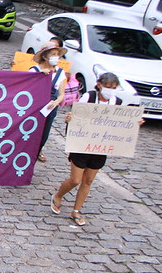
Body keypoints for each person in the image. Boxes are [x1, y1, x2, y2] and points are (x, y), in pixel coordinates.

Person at [51, 72, 143, 226]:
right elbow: (77, 116)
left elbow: (120, 123)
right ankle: (58, 195)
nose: (110, 90)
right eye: (108, 87)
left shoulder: (116, 102)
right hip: (82, 145)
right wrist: (70, 119)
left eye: (113, 87)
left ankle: (76, 210)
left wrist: (135, 122)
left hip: (100, 146)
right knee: (75, 179)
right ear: (99, 85)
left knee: (88, 180)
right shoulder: (89, 97)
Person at [29, 41, 68, 163]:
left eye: (57, 54)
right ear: (45, 56)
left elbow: (62, 94)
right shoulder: (34, 71)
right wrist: (40, 77)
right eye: (53, 54)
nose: (56, 57)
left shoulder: (60, 73)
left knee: (43, 136)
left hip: (50, 109)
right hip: (34, 109)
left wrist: (55, 103)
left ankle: (34, 159)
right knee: (30, 136)